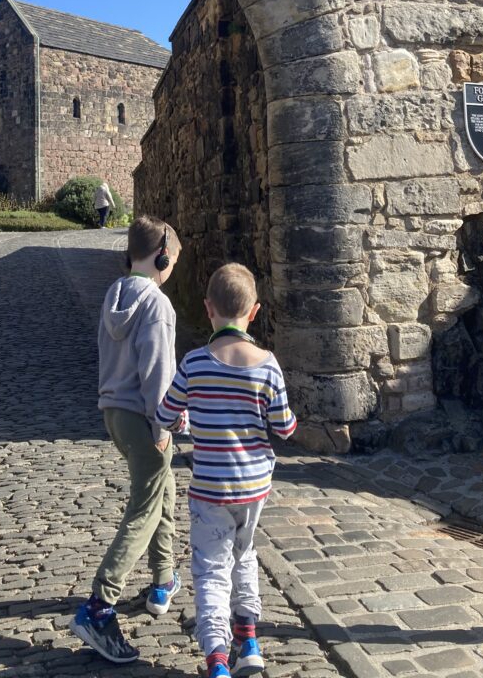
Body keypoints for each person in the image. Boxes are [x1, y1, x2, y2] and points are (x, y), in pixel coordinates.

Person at [156, 263, 297, 678]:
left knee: (211, 570)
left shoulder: (196, 363)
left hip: (211, 489)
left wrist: (186, 422)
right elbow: (286, 428)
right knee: (245, 555)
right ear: (253, 312)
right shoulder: (268, 364)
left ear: (208, 309)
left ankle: (217, 657)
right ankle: (249, 640)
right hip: (254, 487)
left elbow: (167, 412)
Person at [70, 215, 183, 663]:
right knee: (145, 507)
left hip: (113, 411)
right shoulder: (157, 305)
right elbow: (158, 371)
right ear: (161, 256)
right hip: (144, 415)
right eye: (172, 260)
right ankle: (99, 606)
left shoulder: (114, 294)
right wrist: (165, 424)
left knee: (163, 492)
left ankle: (162, 579)